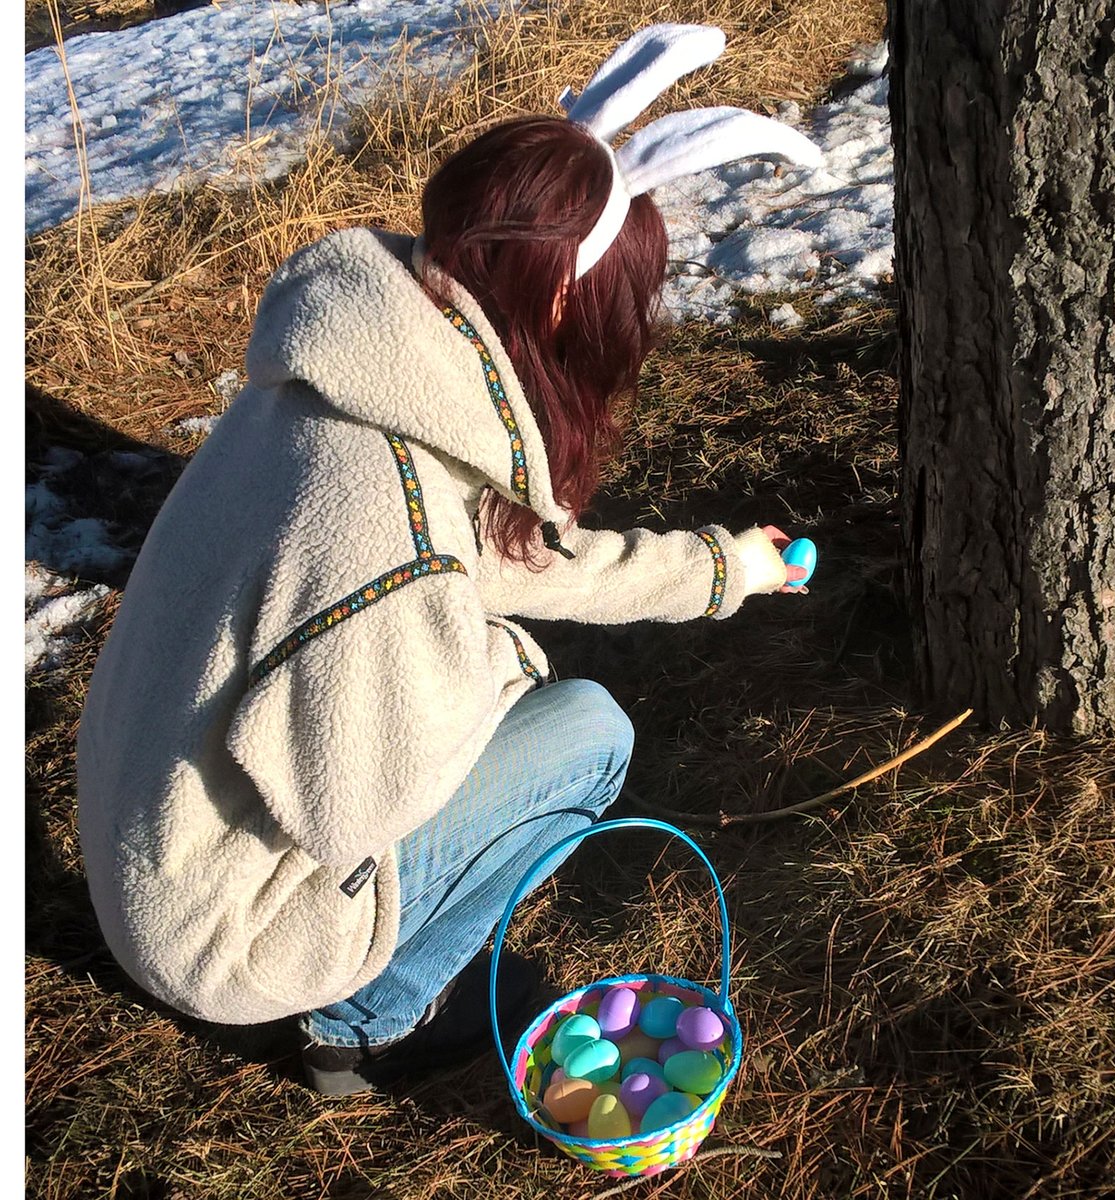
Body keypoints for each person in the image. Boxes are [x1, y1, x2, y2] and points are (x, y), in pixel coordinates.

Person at [74, 24, 818, 1097]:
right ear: (564, 299)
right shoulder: (393, 517)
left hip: (152, 850)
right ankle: (364, 1022)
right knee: (583, 737)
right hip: (216, 930)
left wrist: (722, 569)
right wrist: (496, 668)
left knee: (523, 692)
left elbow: (502, 556)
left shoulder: (360, 370)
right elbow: (358, 800)